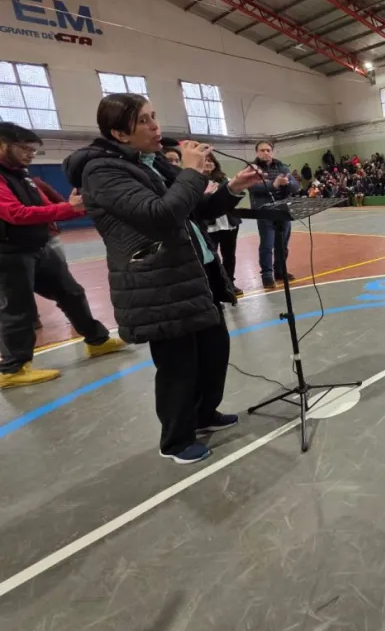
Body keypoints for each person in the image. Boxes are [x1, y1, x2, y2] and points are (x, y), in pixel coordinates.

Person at [64, 93, 264, 464]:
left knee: (213, 352)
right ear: (119, 133)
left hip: (194, 274)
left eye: (154, 116)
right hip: (157, 282)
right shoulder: (103, 172)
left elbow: (197, 208)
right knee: (178, 366)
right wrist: (189, 171)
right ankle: (175, 439)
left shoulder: (151, 162)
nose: (156, 126)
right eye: (144, 120)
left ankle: (204, 414)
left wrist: (233, 188)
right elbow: (161, 215)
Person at [0, 123, 126, 387]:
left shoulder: (22, 176)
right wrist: (66, 209)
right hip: (8, 254)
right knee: (18, 309)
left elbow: (46, 208)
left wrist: (77, 208)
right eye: (24, 149)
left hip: (38, 247)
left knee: (71, 292)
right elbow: (16, 214)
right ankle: (13, 369)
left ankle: (97, 341)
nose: (30, 154)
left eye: (33, 150)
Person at [249, 141, 299, 289]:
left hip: (283, 211)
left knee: (282, 245)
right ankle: (266, 275)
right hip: (264, 212)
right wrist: (274, 184)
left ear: (273, 152)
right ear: (257, 152)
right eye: (262, 150)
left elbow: (296, 186)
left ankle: (280, 271)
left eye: (268, 150)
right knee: (267, 245)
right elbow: (252, 188)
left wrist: (287, 183)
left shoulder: (282, 166)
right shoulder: (252, 168)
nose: (266, 153)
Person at [203, 152, 243, 297]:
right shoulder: (195, 181)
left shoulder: (225, 179)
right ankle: (215, 287)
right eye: (205, 160)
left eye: (210, 160)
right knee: (212, 257)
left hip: (229, 224)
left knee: (229, 255)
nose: (208, 163)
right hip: (209, 225)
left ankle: (230, 283)